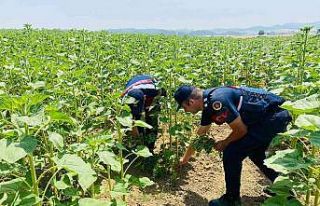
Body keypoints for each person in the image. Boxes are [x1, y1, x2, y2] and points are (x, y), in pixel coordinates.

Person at [174, 85, 292, 206]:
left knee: (232, 152)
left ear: (191, 101)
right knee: (255, 152)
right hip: (266, 117)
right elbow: (200, 134)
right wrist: (185, 159)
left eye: (184, 107)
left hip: (273, 116)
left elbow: (241, 130)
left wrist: (224, 143)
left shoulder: (216, 101)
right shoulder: (208, 103)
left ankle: (231, 200)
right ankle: (283, 190)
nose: (186, 111)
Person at [121, 74, 166, 153]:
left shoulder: (155, 90)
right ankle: (141, 143)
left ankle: (150, 146)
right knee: (135, 119)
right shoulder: (124, 98)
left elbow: (163, 93)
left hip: (152, 93)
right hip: (134, 88)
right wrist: (137, 136)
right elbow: (130, 120)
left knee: (152, 119)